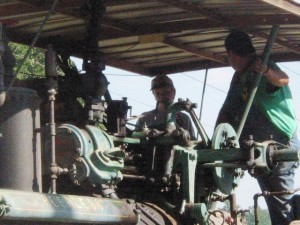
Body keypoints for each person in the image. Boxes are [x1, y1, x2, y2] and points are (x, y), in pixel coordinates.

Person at [216, 29, 300, 225]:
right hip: (258, 149)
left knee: (280, 201)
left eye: (228, 56)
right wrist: (215, 140)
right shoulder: (238, 78)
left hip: (280, 144)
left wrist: (267, 72)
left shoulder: (262, 66)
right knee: (272, 198)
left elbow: (283, 79)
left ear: (232, 55)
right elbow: (227, 110)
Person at [136, 75, 195, 178]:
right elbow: (136, 141)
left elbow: (192, 144)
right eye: (158, 92)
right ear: (154, 94)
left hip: (177, 167)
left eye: (166, 91)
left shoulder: (183, 118)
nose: (162, 95)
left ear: (173, 91)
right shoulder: (144, 118)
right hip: (148, 165)